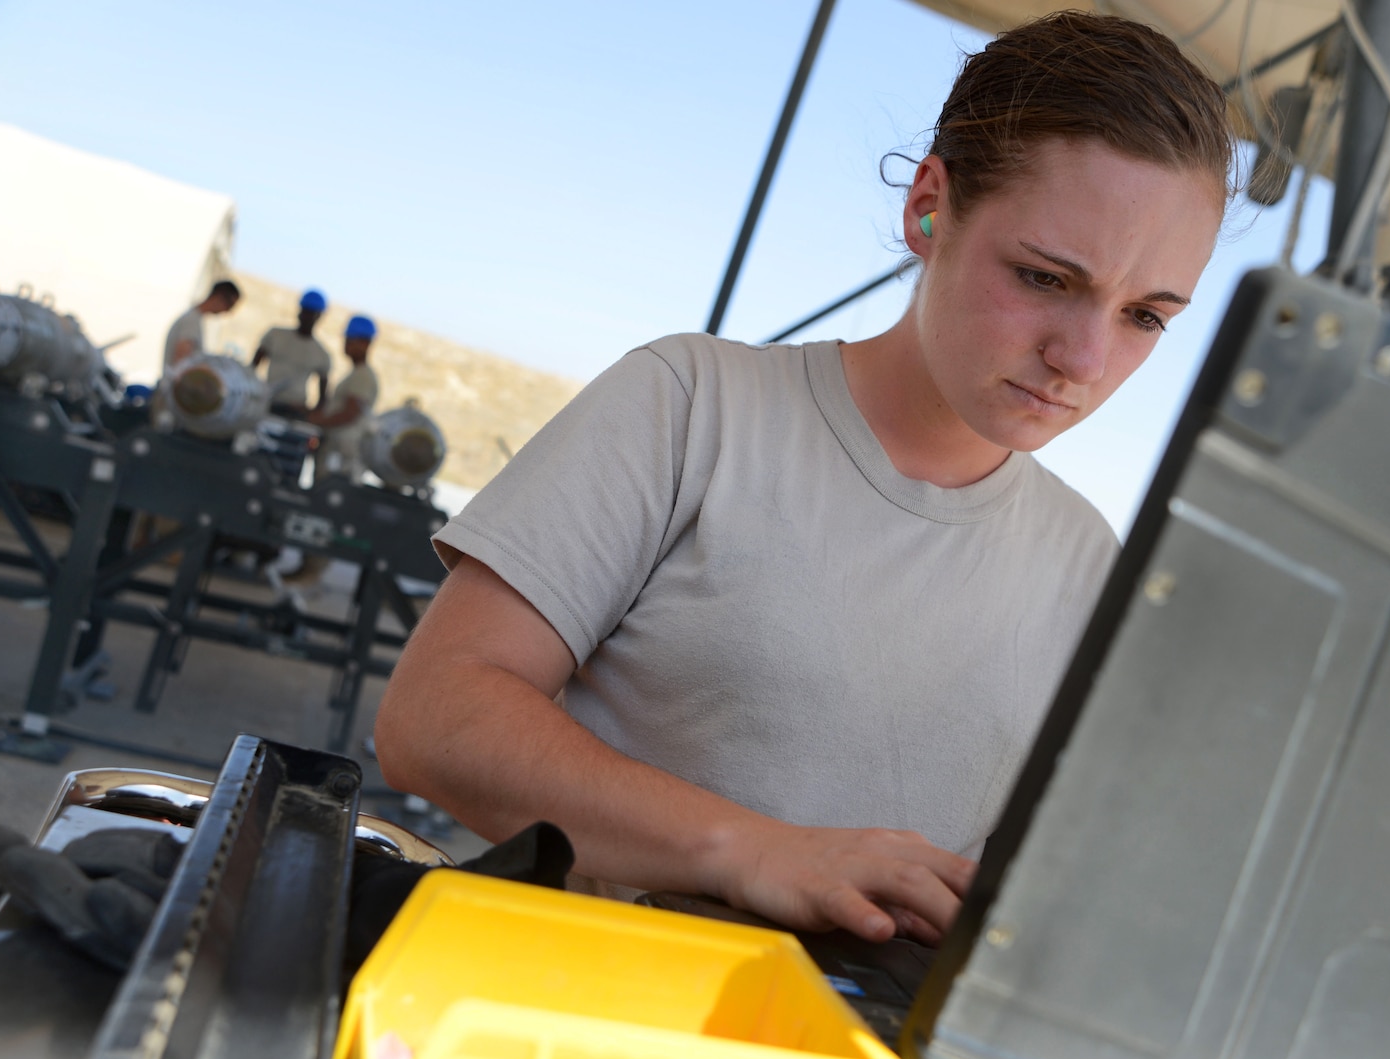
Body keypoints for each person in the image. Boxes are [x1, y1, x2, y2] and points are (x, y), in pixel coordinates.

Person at [376, 11, 1234, 945]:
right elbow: (434, 715)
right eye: (1043, 278)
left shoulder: (1089, 568)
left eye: (1146, 317)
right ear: (928, 209)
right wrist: (753, 852)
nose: (1083, 356)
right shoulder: (693, 406)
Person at [309, 314, 380, 478]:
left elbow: (349, 413)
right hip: (334, 448)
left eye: (351, 340)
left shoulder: (364, 376)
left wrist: (317, 421)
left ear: (365, 344)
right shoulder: (356, 374)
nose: (346, 345)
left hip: (342, 454)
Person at [253, 288, 333, 420]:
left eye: (312, 313)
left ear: (319, 316)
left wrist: (311, 414)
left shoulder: (321, 354)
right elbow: (252, 367)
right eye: (305, 311)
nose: (307, 316)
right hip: (265, 402)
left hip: (295, 410)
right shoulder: (275, 335)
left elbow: (323, 396)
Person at [162, 279, 241, 374]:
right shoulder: (191, 321)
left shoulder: (194, 319)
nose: (228, 312)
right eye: (229, 306)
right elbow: (181, 362)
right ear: (218, 298)